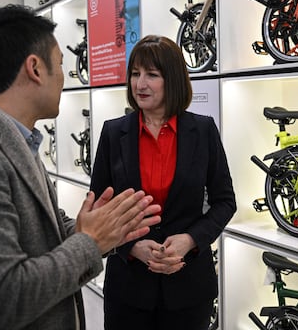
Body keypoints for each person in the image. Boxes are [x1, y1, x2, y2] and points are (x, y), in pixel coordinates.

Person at [0, 4, 162, 330]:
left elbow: (46, 232)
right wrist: (91, 242)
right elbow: (3, 301)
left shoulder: (14, 143)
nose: (63, 77)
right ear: (35, 68)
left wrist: (106, 230)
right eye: (59, 65)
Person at [90, 35, 237, 330]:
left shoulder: (203, 130)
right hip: (128, 289)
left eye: (152, 75)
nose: (140, 84)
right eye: (135, 74)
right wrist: (131, 246)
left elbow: (225, 202)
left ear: (172, 80)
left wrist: (191, 240)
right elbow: (97, 208)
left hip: (189, 287)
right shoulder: (113, 133)